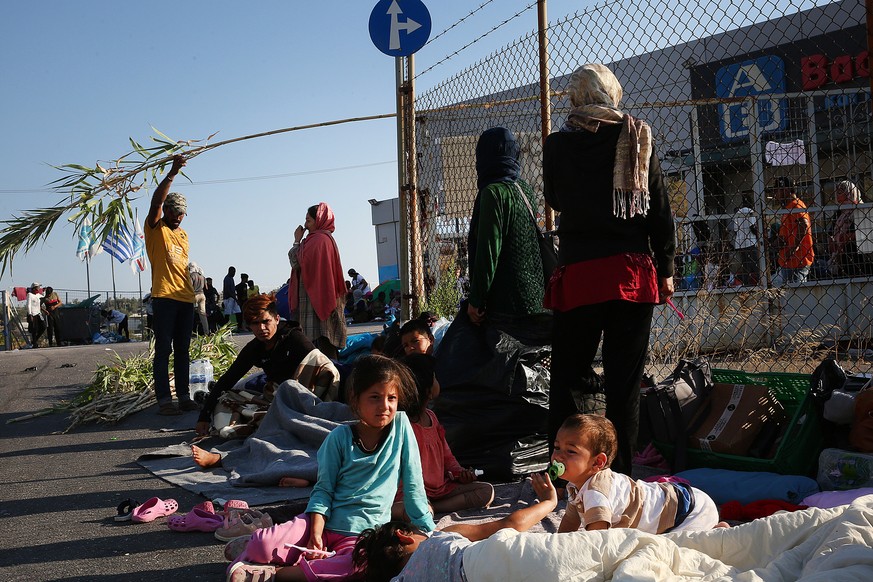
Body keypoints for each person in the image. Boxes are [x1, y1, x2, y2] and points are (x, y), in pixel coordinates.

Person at [542, 64, 676, 474]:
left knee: (568, 376)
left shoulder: (557, 145)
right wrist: (666, 266)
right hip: (630, 277)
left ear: (576, 97)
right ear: (613, 93)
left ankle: (565, 470)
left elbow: (556, 199)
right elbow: (659, 208)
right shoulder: (637, 136)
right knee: (625, 382)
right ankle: (621, 474)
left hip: (580, 274)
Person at [224, 354, 436, 582]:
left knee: (363, 567)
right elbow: (323, 491)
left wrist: (430, 532)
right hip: (320, 524)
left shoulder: (402, 429)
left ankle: (275, 573)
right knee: (262, 545)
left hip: (364, 536)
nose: (385, 406)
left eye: (391, 398)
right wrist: (315, 534)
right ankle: (256, 553)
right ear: (356, 399)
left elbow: (414, 487)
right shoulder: (338, 438)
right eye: (374, 397)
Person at [352, 473, 556, 582]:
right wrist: (549, 502)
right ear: (405, 536)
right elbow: (510, 524)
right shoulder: (439, 538)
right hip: (501, 563)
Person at [553, 414, 724, 533]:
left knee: (676, 552)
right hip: (675, 499)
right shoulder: (576, 487)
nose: (558, 455)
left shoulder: (595, 493)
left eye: (571, 451)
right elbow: (570, 521)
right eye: (557, 447)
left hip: (689, 512)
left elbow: (597, 543)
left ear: (598, 462)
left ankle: (717, 533)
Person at [192, 294, 324, 438]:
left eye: (266, 321)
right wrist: (203, 417)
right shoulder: (255, 348)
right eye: (255, 323)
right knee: (226, 398)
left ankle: (263, 423)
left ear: (277, 319)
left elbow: (318, 365)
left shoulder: (295, 339)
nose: (261, 328)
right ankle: (253, 423)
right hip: (276, 397)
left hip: (305, 396)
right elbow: (228, 379)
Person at [393, 354, 494, 517]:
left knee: (486, 491)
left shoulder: (431, 417)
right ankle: (428, 507)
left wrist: (460, 473)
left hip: (440, 490)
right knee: (418, 509)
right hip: (411, 493)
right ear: (427, 390)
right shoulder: (403, 425)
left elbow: (447, 456)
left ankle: (435, 507)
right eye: (434, 378)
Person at [466, 126, 547, 326]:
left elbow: (489, 250)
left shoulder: (492, 193)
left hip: (506, 302)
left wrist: (476, 299)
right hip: (534, 293)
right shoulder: (524, 188)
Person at [144, 154, 199, 415]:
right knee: (164, 349)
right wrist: (172, 172)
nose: (178, 217)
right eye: (174, 212)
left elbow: (182, 265)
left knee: (183, 350)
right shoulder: (156, 228)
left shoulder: (184, 234)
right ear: (166, 211)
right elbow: (156, 201)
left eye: (182, 214)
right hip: (164, 297)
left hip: (185, 298)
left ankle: (185, 396)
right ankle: (165, 400)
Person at [288, 203, 348, 360]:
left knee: (318, 342)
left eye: (309, 220)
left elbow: (297, 262)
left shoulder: (318, 240)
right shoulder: (325, 239)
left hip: (314, 300)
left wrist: (296, 241)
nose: (306, 225)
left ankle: (326, 377)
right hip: (322, 296)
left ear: (319, 220)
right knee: (324, 339)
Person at [772, 176, 814, 285]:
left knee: (798, 292)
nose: (775, 195)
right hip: (788, 261)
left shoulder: (796, 205)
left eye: (776, 191)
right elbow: (786, 233)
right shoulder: (787, 208)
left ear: (785, 190)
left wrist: (793, 247)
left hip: (798, 260)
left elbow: (803, 225)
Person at [829, 180, 868, 277]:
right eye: (837, 192)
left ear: (849, 192)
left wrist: (849, 237)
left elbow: (865, 231)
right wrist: (832, 240)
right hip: (841, 256)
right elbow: (831, 231)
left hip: (859, 256)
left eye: (840, 192)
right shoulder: (839, 212)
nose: (837, 195)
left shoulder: (861, 210)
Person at [728, 195, 759, 285]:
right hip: (750, 241)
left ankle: (746, 283)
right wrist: (758, 237)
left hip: (740, 243)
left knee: (745, 265)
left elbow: (735, 230)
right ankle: (759, 281)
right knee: (754, 263)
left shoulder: (737, 213)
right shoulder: (750, 211)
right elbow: (752, 227)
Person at [189, 261, 209, 335]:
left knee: (189, 314)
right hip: (202, 295)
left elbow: (190, 286)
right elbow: (206, 287)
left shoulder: (191, 275)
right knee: (203, 315)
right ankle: (206, 332)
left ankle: (189, 331)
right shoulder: (202, 276)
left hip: (194, 295)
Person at [26, 283, 45, 348]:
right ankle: (34, 343)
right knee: (34, 329)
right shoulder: (30, 294)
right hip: (33, 313)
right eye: (37, 287)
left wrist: (44, 292)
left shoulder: (38, 295)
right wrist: (30, 314)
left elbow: (43, 298)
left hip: (38, 313)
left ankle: (34, 340)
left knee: (43, 326)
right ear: (34, 288)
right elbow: (28, 305)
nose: (38, 288)